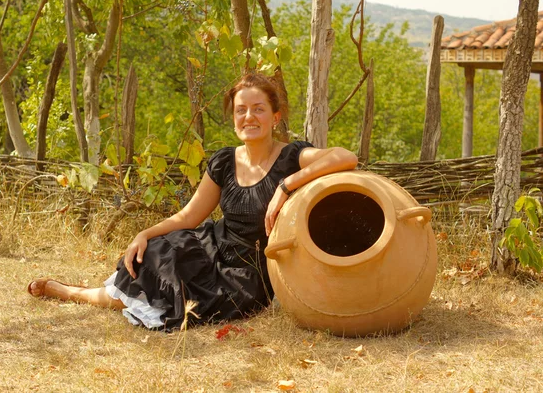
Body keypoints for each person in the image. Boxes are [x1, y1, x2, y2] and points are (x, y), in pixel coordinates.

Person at [28, 73, 358, 331]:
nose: (249, 117)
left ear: (275, 116)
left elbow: (346, 157)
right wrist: (144, 233)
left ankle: (76, 293)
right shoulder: (225, 161)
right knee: (156, 255)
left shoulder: (291, 156)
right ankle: (75, 292)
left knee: (186, 303)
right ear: (233, 118)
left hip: (250, 274)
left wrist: (287, 185)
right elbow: (189, 216)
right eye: (240, 110)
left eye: (258, 109)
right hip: (212, 246)